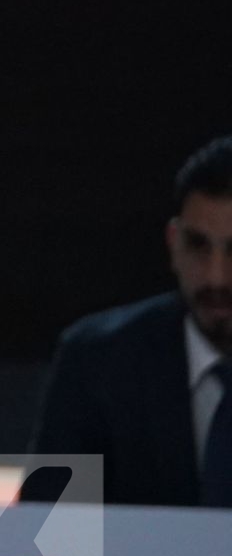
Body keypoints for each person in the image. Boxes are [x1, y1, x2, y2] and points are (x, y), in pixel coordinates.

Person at [26, 135, 232, 508]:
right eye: (198, 246)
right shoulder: (97, 364)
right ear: (173, 243)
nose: (216, 278)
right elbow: (47, 536)